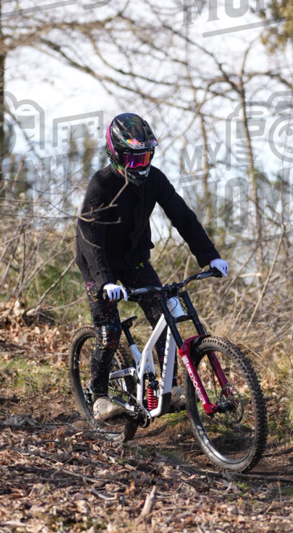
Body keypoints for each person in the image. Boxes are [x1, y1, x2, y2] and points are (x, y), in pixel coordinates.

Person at [75, 112, 229, 421]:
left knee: (164, 317)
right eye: (133, 159)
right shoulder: (101, 185)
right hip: (99, 262)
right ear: (116, 155)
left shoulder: (154, 178)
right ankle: (100, 397)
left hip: (134, 259)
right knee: (110, 332)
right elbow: (90, 237)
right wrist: (105, 281)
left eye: (146, 156)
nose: (141, 165)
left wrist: (209, 255)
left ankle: (168, 392)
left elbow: (182, 215)